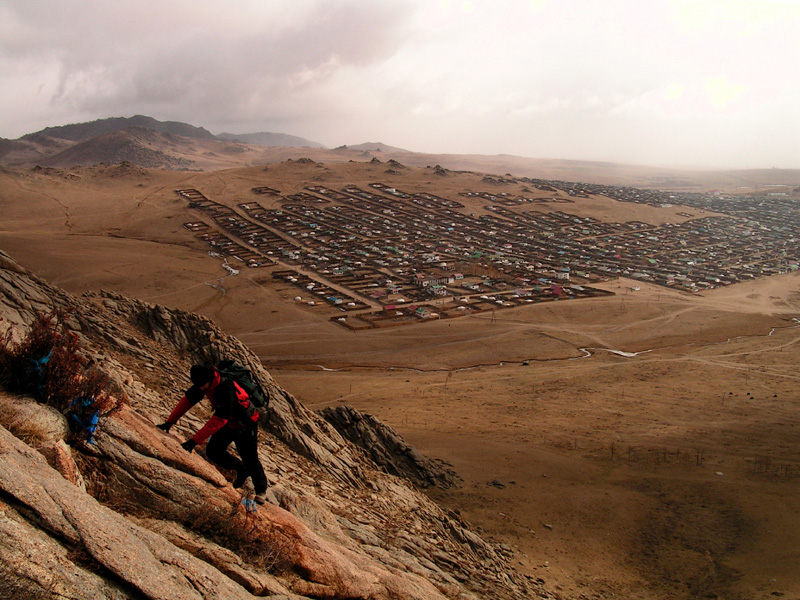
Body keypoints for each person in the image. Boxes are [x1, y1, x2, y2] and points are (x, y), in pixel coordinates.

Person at [157, 364, 270, 504]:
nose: (202, 388)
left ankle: (261, 490)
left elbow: (219, 419)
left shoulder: (225, 387)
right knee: (213, 451)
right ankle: (241, 469)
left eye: (204, 385)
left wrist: (194, 441)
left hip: (246, 422)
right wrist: (169, 422)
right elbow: (186, 401)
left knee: (250, 457)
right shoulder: (203, 383)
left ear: (210, 379)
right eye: (199, 386)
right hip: (229, 423)